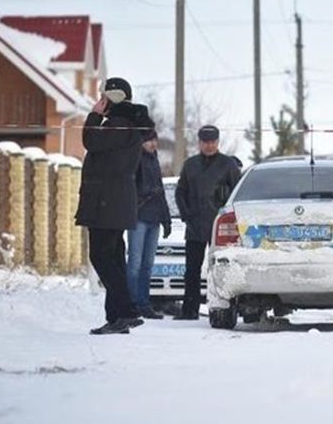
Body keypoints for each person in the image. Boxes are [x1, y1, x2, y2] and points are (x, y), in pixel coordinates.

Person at [77, 77, 149, 335]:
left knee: (101, 256)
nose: (100, 101)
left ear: (113, 98)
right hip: (114, 202)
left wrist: (94, 115)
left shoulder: (119, 125)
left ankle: (127, 311)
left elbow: (91, 141)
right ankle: (117, 317)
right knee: (114, 258)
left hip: (107, 203)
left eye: (103, 97)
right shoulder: (125, 124)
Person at [175, 125, 242, 320]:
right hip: (195, 224)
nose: (209, 146)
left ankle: (226, 308)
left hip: (221, 227)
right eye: (206, 142)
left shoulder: (228, 165)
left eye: (213, 142)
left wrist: (228, 217)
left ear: (218, 142)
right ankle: (189, 310)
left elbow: (237, 194)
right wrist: (186, 214)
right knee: (192, 270)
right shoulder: (190, 164)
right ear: (199, 143)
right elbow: (180, 192)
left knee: (223, 268)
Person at [126, 131, 172, 320]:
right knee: (135, 263)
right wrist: (145, 193)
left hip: (155, 219)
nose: (152, 144)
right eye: (148, 140)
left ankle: (144, 303)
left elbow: (160, 192)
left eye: (154, 140)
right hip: (138, 218)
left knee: (148, 264)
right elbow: (129, 187)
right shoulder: (135, 159)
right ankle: (130, 304)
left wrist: (166, 219)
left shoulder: (154, 160)